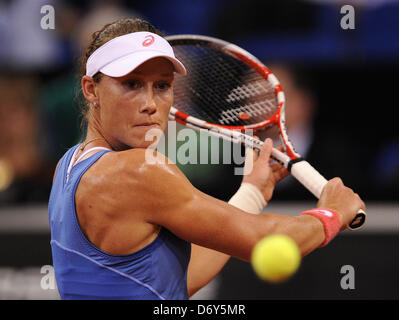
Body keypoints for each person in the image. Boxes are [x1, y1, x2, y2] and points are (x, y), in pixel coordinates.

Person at [48, 18, 365, 300]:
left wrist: (251, 194)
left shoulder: (68, 166)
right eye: (131, 84)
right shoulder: (139, 172)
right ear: (91, 90)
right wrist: (331, 213)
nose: (150, 103)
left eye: (162, 86)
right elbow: (263, 240)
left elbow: (172, 283)